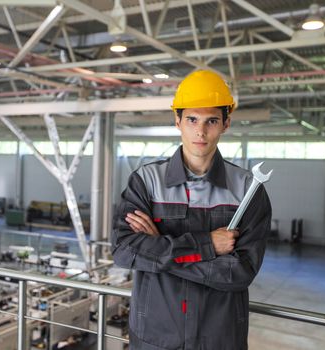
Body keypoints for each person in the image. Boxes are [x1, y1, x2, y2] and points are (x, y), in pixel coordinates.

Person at [111, 70, 272, 350]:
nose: (200, 131)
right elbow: (124, 250)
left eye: (211, 120)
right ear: (178, 121)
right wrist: (207, 244)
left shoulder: (248, 189)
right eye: (192, 120)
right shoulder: (147, 181)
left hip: (220, 340)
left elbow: (239, 273)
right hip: (155, 338)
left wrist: (158, 248)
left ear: (226, 123)